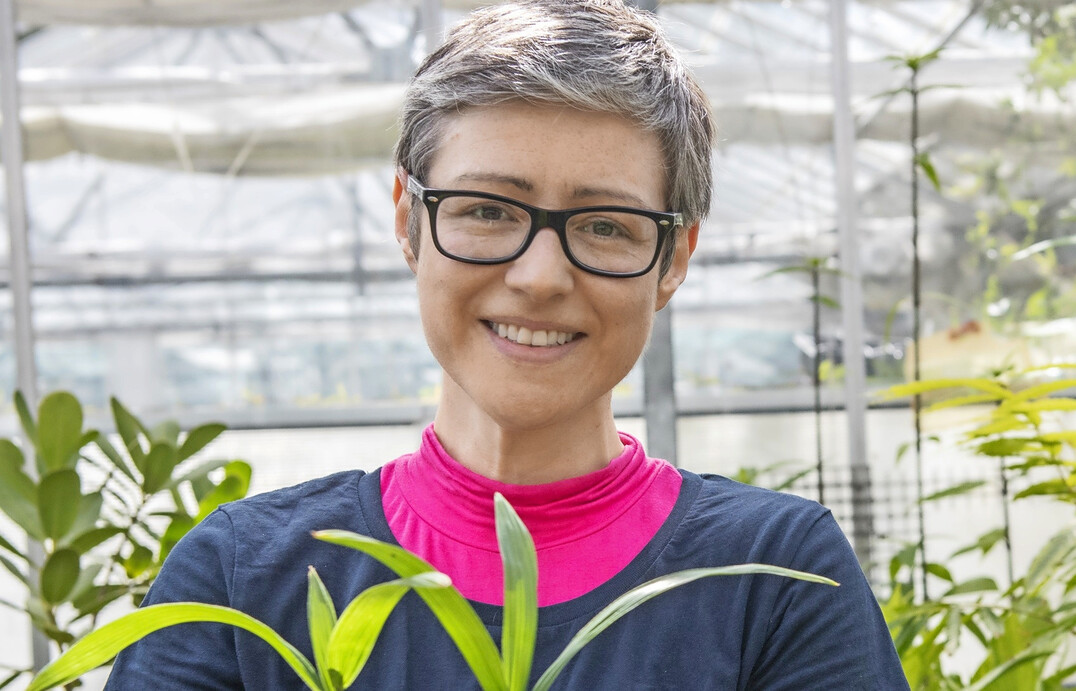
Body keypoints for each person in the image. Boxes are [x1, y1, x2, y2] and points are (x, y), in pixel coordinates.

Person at [107, 1, 908, 688]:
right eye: (488, 210)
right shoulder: (245, 580)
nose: (539, 275)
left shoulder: (775, 575)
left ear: (674, 259)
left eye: (604, 225)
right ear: (407, 219)